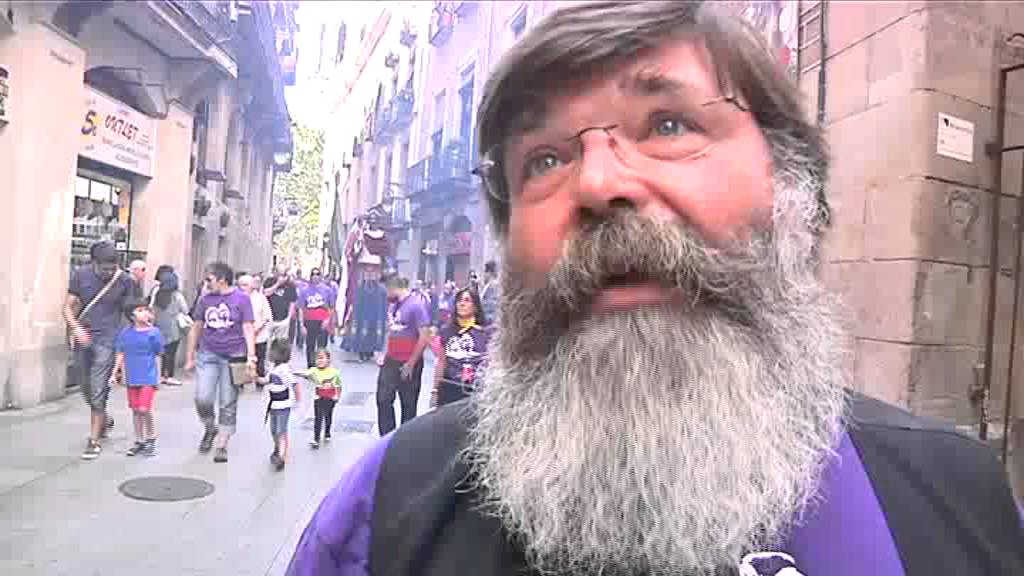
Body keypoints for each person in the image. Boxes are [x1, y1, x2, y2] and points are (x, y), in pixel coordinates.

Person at [287, 3, 1024, 576]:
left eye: (669, 124)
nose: (598, 182)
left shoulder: (955, 500)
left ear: (793, 189)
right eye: (543, 160)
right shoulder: (385, 509)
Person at [65, 240, 137, 460]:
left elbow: (132, 311)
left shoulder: (125, 280)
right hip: (84, 336)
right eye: (105, 268)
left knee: (98, 388)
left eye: (112, 268)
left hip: (108, 338)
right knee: (84, 386)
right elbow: (67, 306)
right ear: (94, 263)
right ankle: (104, 418)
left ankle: (94, 439)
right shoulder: (81, 275)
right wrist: (75, 327)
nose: (109, 272)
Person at [185, 261, 256, 464]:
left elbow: (248, 327)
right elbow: (196, 327)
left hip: (234, 356)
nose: (206, 283)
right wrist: (190, 356)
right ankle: (210, 427)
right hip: (208, 354)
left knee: (228, 401)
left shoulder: (242, 299)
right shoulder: (205, 300)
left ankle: (222, 444)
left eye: (209, 279)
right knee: (203, 398)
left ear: (222, 279)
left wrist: (251, 357)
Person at [375, 275, 431, 436]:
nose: (386, 295)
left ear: (393, 288)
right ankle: (387, 437)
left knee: (408, 404)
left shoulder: (416, 305)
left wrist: (411, 363)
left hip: (408, 361)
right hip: (391, 360)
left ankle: (405, 440)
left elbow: (424, 336)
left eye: (387, 291)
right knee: (383, 399)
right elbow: (391, 330)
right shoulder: (393, 306)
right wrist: (384, 352)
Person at [111, 300, 164, 457]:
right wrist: (116, 373)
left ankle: (151, 437)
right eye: (139, 310)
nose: (144, 312)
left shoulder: (154, 332)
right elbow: (120, 353)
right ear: (132, 316)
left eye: (145, 309)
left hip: (148, 375)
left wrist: (158, 376)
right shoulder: (126, 333)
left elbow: (158, 354)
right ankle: (139, 440)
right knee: (135, 410)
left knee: (144, 409)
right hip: (132, 375)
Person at [432, 287, 490, 408]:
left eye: (467, 300)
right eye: (459, 300)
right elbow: (441, 362)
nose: (462, 304)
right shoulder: (447, 330)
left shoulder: (486, 332)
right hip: (449, 387)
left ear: (475, 306)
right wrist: (434, 391)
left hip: (475, 390)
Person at [150, 266, 189, 386]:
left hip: (158, 326)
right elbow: (185, 309)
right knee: (171, 353)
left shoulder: (157, 293)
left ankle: (160, 375)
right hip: (173, 328)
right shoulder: (177, 295)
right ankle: (169, 376)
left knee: (160, 352)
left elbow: (151, 307)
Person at [267, 339, 301, 471]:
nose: (270, 353)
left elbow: (295, 384)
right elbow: (267, 380)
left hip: (283, 406)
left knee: (281, 430)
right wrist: (256, 378)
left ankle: (281, 457)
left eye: (272, 351)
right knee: (274, 430)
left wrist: (297, 402)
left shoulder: (285, 369)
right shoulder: (273, 367)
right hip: (273, 405)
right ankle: (277, 448)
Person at [302, 349, 342, 449]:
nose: (319, 361)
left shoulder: (334, 372)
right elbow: (305, 374)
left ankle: (327, 432)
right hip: (318, 398)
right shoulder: (313, 370)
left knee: (328, 416)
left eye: (322, 358)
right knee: (318, 418)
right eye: (317, 358)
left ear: (328, 360)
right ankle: (316, 439)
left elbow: (338, 385)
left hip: (330, 398)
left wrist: (337, 396)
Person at [239, 274, 273, 388]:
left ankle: (259, 382)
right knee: (241, 360)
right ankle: (240, 383)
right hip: (242, 336)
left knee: (259, 360)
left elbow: (267, 316)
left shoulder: (260, 298)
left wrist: (258, 329)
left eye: (245, 285)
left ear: (251, 286)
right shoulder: (237, 298)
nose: (242, 288)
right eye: (240, 285)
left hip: (259, 335)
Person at [298, 268, 333, 367]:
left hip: (323, 321)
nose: (315, 276)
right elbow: (301, 308)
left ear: (320, 276)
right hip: (309, 321)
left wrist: (328, 320)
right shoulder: (304, 290)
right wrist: (301, 325)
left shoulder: (327, 290)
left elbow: (331, 307)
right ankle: (311, 367)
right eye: (313, 274)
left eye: (317, 274)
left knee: (322, 347)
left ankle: (321, 367)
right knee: (310, 346)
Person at [266, 268, 299, 344]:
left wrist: (288, 318)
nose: (282, 277)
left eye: (284, 275)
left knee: (280, 344)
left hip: (283, 319)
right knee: (267, 343)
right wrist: (277, 284)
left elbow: (292, 303)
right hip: (269, 319)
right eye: (280, 274)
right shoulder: (269, 281)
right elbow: (266, 293)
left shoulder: (290, 285)